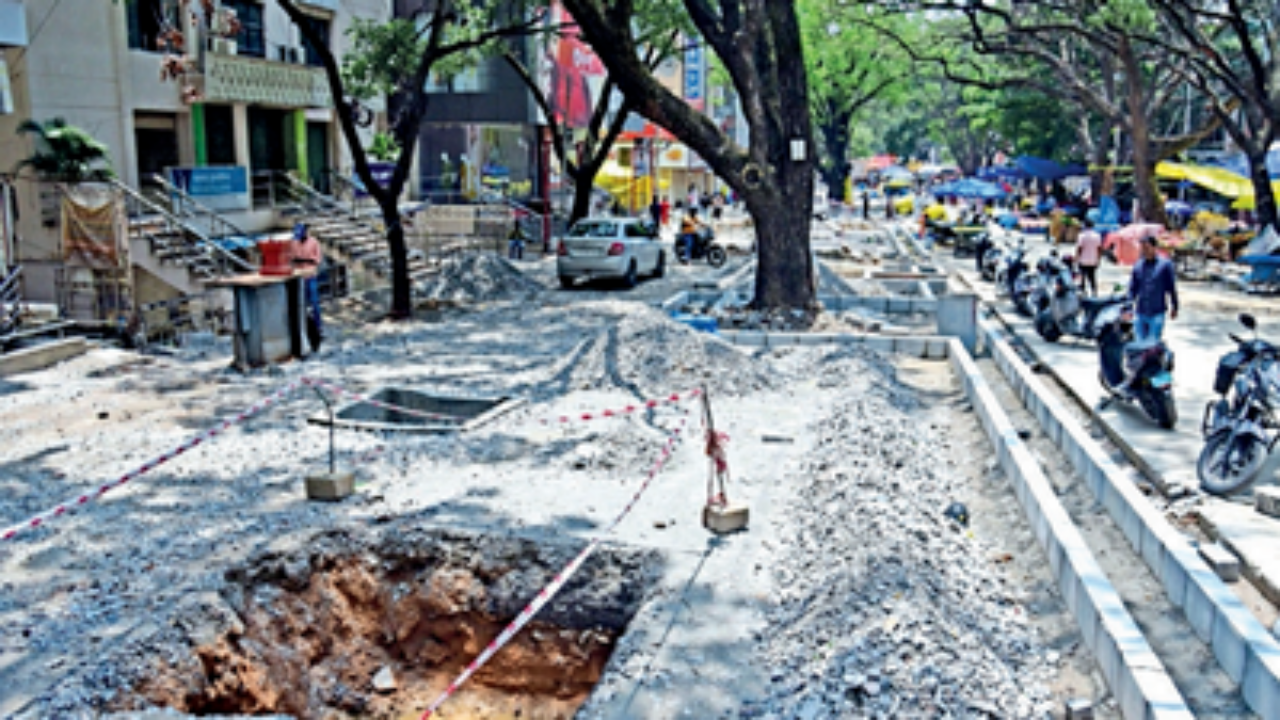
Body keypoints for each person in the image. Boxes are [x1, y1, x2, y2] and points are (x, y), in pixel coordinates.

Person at [1128, 236, 1178, 342]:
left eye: (1147, 247)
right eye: (1142, 248)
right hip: (1140, 312)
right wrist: (1127, 307)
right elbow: (1132, 289)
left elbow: (1171, 287)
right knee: (1139, 344)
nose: (1144, 251)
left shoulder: (1165, 265)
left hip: (1157, 312)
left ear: (1155, 248)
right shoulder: (1138, 266)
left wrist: (1175, 306)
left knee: (1152, 344)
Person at [291, 222, 323, 349]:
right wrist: (301, 260)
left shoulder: (314, 242)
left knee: (314, 303)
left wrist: (304, 260)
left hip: (311, 276)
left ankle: (318, 326)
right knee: (301, 304)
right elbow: (292, 258)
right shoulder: (294, 242)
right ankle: (304, 326)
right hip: (299, 277)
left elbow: (316, 260)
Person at [1075, 218, 1102, 297]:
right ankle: (1094, 292)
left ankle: (1083, 292)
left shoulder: (1081, 235)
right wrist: (1098, 259)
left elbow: (1080, 248)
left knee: (1082, 277)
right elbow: (1099, 249)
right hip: (1093, 260)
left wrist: (1076, 258)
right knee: (1092, 277)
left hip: (1083, 260)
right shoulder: (1097, 236)